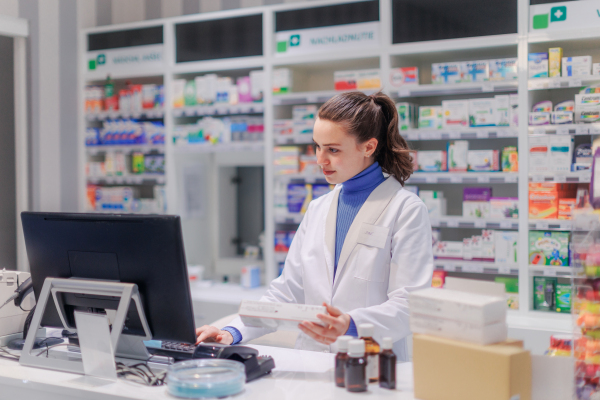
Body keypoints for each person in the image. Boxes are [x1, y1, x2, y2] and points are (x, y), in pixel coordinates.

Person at [195, 91, 433, 361]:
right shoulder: (318, 209)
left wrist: (351, 325)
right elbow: (287, 292)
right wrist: (232, 330)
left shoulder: (406, 210)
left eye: (333, 149)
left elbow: (409, 304)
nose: (320, 160)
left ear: (368, 147)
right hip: (313, 362)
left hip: (372, 363)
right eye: (317, 146)